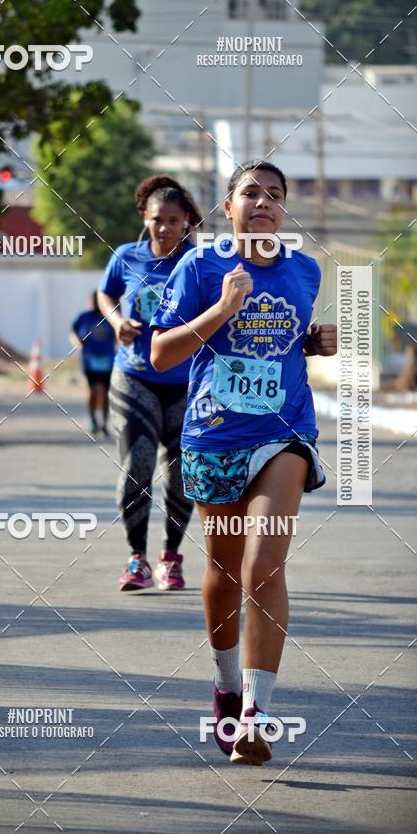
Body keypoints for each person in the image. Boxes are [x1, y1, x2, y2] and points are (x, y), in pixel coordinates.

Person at [150, 160, 337, 763]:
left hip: (284, 434)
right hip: (212, 436)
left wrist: (313, 342)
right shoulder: (201, 267)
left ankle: (257, 711)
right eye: (251, 193)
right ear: (227, 208)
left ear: (285, 211)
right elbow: (160, 353)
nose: (264, 202)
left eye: (276, 195)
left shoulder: (304, 270)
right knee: (225, 572)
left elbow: (284, 337)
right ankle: (227, 682)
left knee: (263, 562)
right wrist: (223, 311)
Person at [98, 175, 203, 591]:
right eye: (158, 219)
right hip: (134, 375)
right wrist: (117, 320)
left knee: (180, 474)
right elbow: (105, 294)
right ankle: (136, 559)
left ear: (187, 222)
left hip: (186, 382)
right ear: (145, 216)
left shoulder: (198, 263)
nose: (164, 228)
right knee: (137, 464)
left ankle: (171, 558)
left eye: (174, 220)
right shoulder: (126, 257)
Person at [71, 291, 116, 437]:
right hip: (90, 360)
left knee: (105, 392)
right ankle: (93, 421)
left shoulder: (110, 316)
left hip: (108, 360)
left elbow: (118, 334)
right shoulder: (84, 317)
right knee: (93, 390)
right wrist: (78, 344)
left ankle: (104, 422)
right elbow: (73, 332)